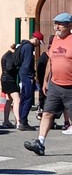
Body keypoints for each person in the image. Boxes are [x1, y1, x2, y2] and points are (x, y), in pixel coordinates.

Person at [25, 14, 72, 156]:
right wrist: (45, 81)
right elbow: (50, 62)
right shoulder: (55, 40)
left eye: (61, 24)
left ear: (69, 26)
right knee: (47, 113)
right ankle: (40, 143)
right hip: (55, 85)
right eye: (56, 23)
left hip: (70, 86)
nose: (57, 26)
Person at [16, 31, 44, 131]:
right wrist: (31, 76)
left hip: (22, 74)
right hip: (27, 75)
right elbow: (27, 63)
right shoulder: (29, 47)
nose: (38, 45)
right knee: (28, 98)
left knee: (24, 97)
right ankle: (23, 122)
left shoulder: (24, 45)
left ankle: (21, 120)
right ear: (36, 40)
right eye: (38, 42)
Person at [0, 43, 21, 129]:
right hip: (9, 80)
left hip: (4, 79)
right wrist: (17, 67)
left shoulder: (6, 55)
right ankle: (18, 122)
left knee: (9, 100)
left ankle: (6, 121)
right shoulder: (11, 56)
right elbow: (9, 68)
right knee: (17, 100)